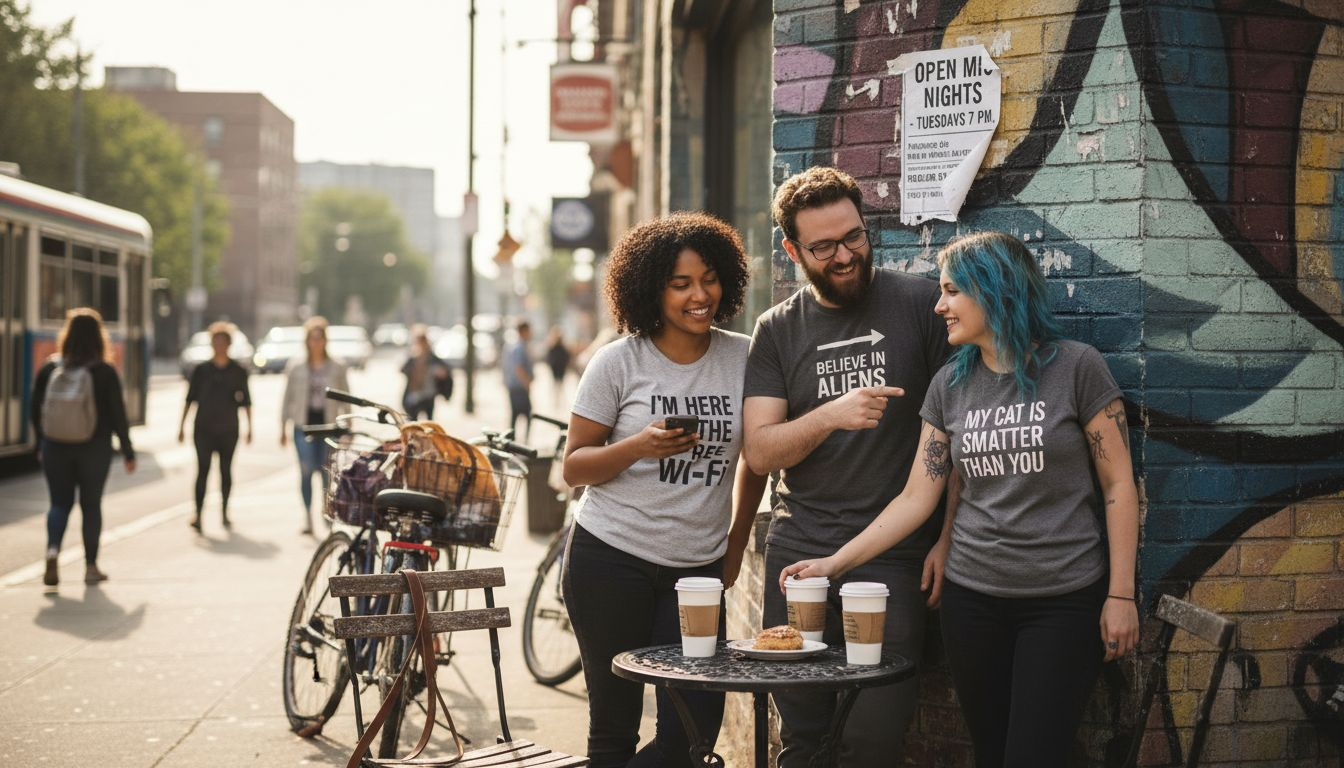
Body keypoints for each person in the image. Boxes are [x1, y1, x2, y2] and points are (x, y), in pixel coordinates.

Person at [781, 231, 1141, 768]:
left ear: (994, 291)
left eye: (952, 291)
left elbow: (1119, 487)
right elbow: (915, 498)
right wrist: (833, 564)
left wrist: (1121, 594)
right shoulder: (949, 385)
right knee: (991, 753)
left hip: (1063, 600)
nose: (939, 306)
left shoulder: (1076, 368)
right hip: (972, 603)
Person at [741, 166, 951, 767]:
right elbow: (761, 451)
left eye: (854, 236)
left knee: (873, 739)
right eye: (824, 246)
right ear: (793, 252)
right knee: (801, 736)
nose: (845, 255)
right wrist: (830, 416)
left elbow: (958, 434)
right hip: (798, 554)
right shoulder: (777, 330)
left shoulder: (920, 305)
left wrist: (948, 538)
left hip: (894, 556)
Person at [561, 212, 768, 768]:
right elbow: (574, 468)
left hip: (697, 570)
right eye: (681, 284)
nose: (700, 296)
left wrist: (735, 544)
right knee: (614, 726)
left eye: (709, 279)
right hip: (610, 559)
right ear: (652, 289)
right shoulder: (618, 361)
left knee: (693, 734)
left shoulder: (744, 356)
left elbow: (757, 460)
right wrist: (637, 447)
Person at [31, 307, 136, 586]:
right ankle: (90, 567)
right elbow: (118, 415)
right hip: (94, 448)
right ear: (99, 337)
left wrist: (41, 442)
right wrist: (127, 451)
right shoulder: (104, 371)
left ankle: (52, 552)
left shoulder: (51, 368)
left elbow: (36, 408)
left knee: (58, 504)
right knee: (91, 506)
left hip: (55, 446)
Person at [178, 322, 253, 532]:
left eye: (223, 342)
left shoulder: (238, 371)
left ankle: (224, 512)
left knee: (225, 471)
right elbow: (190, 398)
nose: (219, 345)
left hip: (229, 429)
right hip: (203, 428)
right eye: (215, 341)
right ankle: (198, 514)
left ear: (229, 344)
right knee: (202, 470)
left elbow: (247, 400)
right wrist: (181, 426)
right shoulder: (201, 370)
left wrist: (250, 427)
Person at [280, 316, 350, 534]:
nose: (316, 342)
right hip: (303, 425)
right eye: (312, 338)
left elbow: (346, 397)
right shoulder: (296, 366)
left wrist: (348, 425)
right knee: (306, 470)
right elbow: (287, 397)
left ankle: (326, 512)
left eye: (320, 338)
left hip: (328, 425)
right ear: (307, 341)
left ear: (325, 340)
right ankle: (308, 517)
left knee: (326, 472)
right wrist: (282, 426)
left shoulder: (337, 366)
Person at [400, 324, 450, 421]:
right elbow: (403, 369)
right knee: (412, 420)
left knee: (429, 421)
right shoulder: (413, 357)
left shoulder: (432, 358)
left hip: (428, 394)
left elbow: (445, 371)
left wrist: (440, 373)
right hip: (414, 393)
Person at [503, 320, 534, 437]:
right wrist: (527, 383)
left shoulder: (515, 346)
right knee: (526, 413)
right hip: (519, 387)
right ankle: (519, 439)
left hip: (515, 387)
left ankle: (513, 439)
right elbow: (518, 368)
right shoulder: (519, 347)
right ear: (524, 331)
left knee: (516, 414)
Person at [543, 326, 572, 408]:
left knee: (559, 386)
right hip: (556, 369)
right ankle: (556, 401)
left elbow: (567, 357)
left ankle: (559, 401)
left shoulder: (561, 348)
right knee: (556, 385)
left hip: (560, 369)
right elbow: (549, 357)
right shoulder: (553, 347)